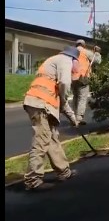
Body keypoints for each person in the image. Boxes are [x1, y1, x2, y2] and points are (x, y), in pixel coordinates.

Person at [23, 46, 81, 192]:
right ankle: (33, 180)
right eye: (77, 64)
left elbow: (63, 102)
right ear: (74, 59)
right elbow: (65, 84)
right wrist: (64, 96)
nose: (76, 69)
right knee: (41, 140)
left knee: (52, 138)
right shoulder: (66, 60)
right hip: (40, 104)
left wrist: (73, 119)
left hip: (41, 103)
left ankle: (64, 172)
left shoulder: (53, 62)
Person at [71, 39, 102, 126]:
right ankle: (79, 119)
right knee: (82, 98)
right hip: (83, 78)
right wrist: (97, 52)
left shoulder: (71, 53)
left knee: (75, 97)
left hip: (72, 78)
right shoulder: (86, 52)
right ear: (83, 45)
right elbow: (97, 61)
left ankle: (73, 117)